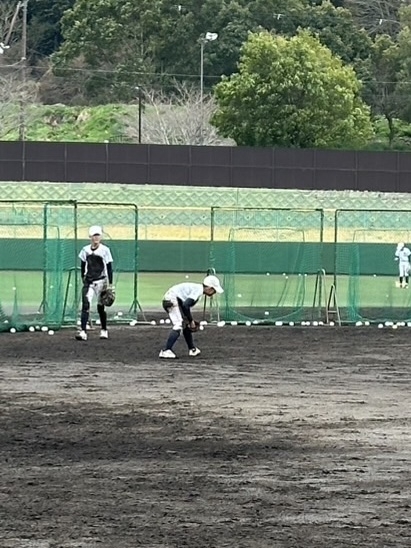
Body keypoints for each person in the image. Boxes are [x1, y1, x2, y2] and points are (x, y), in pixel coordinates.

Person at [159, 274, 224, 359]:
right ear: (209, 288)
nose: (214, 293)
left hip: (174, 299)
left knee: (185, 324)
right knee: (179, 324)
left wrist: (189, 320)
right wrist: (191, 320)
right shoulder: (198, 290)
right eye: (214, 290)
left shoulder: (198, 289)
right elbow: (186, 305)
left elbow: (184, 305)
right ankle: (166, 350)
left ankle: (192, 349)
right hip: (172, 299)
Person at [76, 225, 114, 341]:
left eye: (98, 235)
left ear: (100, 237)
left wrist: (110, 284)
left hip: (101, 281)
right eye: (94, 235)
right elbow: (83, 265)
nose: (96, 238)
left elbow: (109, 267)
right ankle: (83, 331)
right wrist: (83, 277)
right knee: (85, 305)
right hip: (89, 281)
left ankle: (104, 330)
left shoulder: (105, 250)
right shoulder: (85, 250)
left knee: (100, 307)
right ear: (90, 237)